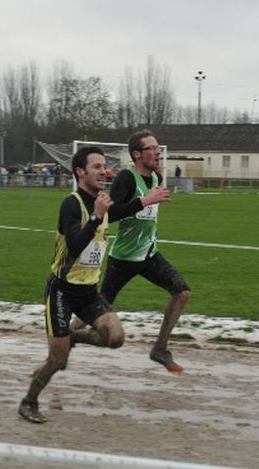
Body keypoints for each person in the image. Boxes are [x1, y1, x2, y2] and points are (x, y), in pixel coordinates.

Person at [18, 146, 124, 424]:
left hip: (88, 292)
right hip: (62, 292)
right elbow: (75, 245)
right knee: (57, 360)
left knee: (115, 337)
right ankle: (28, 402)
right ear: (80, 172)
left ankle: (73, 337)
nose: (104, 172)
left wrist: (146, 201)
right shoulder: (71, 203)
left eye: (104, 166)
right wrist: (97, 217)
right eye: (97, 167)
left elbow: (122, 210)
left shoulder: (101, 202)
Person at [71, 129, 191, 374]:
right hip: (123, 260)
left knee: (182, 292)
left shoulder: (156, 177)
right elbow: (111, 214)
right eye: (152, 148)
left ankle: (160, 349)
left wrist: (150, 200)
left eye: (158, 147)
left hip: (148, 254)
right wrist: (146, 201)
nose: (158, 152)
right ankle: (68, 335)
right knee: (97, 313)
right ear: (137, 154)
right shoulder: (127, 178)